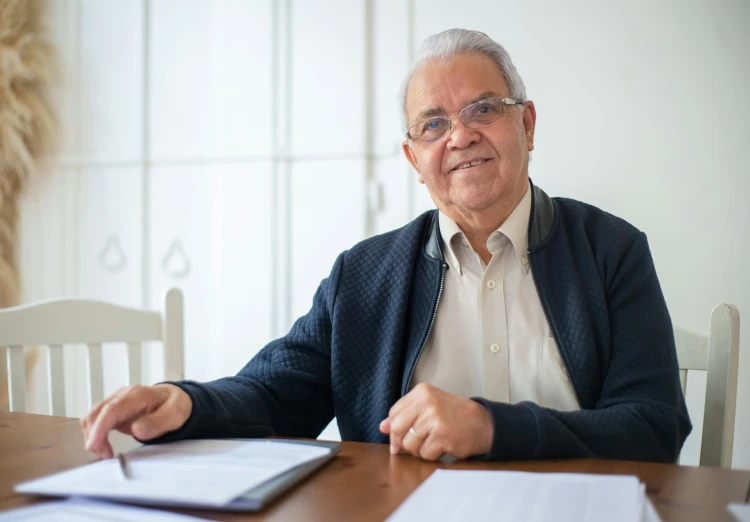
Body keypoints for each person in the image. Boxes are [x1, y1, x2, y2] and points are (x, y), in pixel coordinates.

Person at [81, 28, 691, 463]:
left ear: (526, 124)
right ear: (413, 158)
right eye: (433, 124)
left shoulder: (612, 250)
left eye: (484, 109)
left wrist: (488, 427)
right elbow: (275, 391)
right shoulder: (363, 274)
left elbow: (654, 425)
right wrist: (183, 402)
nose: (460, 136)